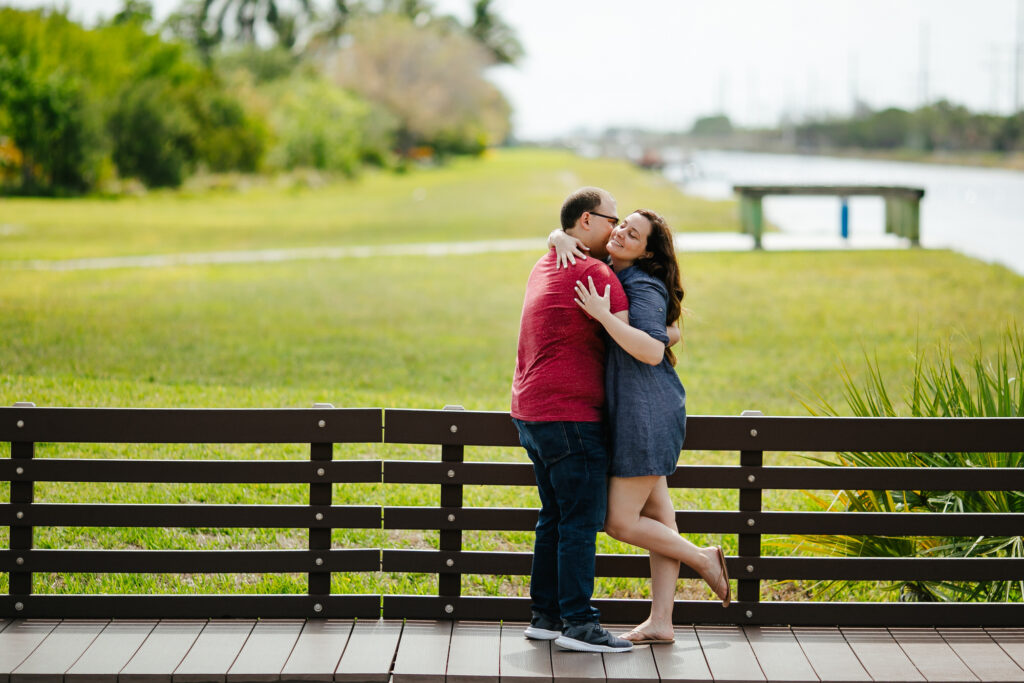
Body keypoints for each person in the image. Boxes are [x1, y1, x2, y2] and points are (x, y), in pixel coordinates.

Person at [553, 208, 730, 645]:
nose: (622, 236)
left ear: (647, 250)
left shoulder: (642, 284)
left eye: (634, 235)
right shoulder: (618, 270)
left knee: (617, 521)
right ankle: (662, 622)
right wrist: (557, 236)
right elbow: (665, 334)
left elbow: (652, 349)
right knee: (658, 519)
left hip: (647, 414)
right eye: (622, 227)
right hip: (638, 409)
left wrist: (602, 314)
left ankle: (704, 559)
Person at [510, 186, 635, 653]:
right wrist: (673, 330)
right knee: (580, 522)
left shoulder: (544, 263)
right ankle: (579, 625)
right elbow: (634, 338)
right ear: (586, 221)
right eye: (611, 219)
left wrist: (553, 238)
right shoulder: (595, 273)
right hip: (570, 417)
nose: (616, 228)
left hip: (531, 412)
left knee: (555, 517)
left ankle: (545, 615)